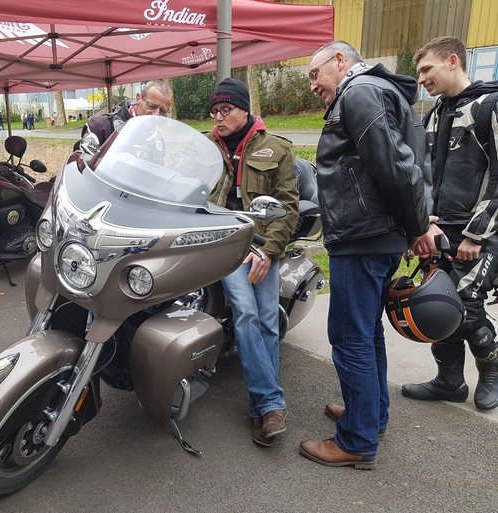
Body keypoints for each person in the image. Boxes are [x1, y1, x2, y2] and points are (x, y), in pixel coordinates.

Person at [299, 41, 429, 468]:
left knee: (350, 337)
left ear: (340, 60)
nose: (313, 85)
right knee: (367, 333)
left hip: (363, 236)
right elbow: (407, 164)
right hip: (378, 234)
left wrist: (417, 227)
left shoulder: (358, 91)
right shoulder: (379, 90)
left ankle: (356, 440)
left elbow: (394, 165)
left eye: (315, 73)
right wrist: (411, 227)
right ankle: (370, 416)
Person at [402, 36, 498, 411]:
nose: (422, 78)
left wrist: (477, 233)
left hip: (482, 232)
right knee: (437, 305)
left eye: (427, 69)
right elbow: (422, 174)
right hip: (440, 231)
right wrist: (422, 223)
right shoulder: (436, 112)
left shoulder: (490, 104)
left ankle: (491, 369)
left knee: (465, 304)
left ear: (453, 61)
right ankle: (449, 381)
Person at [206, 78, 299, 447]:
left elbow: (288, 208)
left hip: (260, 244)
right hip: (219, 243)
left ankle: (260, 406)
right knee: (245, 312)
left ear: (245, 109)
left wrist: (268, 250)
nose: (218, 117)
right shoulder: (204, 147)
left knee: (266, 320)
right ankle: (271, 403)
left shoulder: (276, 148)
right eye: (214, 111)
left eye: (225, 110)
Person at [73, 79, 173, 155]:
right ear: (138, 99)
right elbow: (82, 169)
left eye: (163, 111)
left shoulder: (158, 139)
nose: (156, 114)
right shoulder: (102, 127)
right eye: (151, 106)